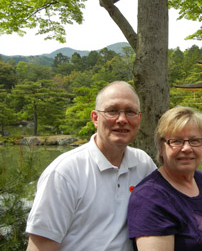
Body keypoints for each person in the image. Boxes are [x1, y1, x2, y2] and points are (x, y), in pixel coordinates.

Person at [26, 81, 157, 251]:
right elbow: (41, 246)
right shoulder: (64, 172)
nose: (122, 119)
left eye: (130, 112)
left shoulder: (143, 164)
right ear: (95, 118)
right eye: (112, 111)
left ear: (139, 119)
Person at [128, 106, 202, 251]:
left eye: (194, 140)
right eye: (176, 141)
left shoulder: (198, 178)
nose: (186, 148)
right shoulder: (150, 198)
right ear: (161, 147)